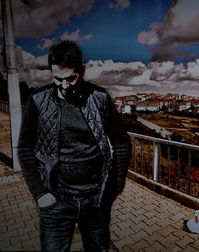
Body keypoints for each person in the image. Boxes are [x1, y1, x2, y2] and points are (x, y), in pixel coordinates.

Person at [17, 40, 132, 251]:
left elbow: (122, 142)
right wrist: (39, 192)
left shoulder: (99, 99)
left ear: (82, 70)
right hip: (55, 201)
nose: (63, 85)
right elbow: (25, 148)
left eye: (70, 78)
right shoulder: (38, 101)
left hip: (95, 200)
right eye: (57, 78)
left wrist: (115, 186)